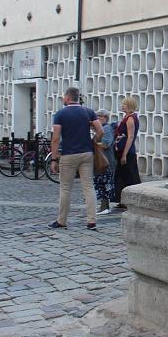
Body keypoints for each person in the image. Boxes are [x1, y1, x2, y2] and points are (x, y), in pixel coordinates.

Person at [49, 87, 103, 230]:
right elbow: (100, 130)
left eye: (63, 97)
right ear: (78, 97)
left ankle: (62, 221)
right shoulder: (88, 112)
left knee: (65, 188)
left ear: (67, 98)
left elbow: (55, 138)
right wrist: (94, 141)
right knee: (89, 187)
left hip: (68, 154)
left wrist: (54, 159)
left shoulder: (60, 114)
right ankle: (92, 221)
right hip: (86, 153)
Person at [113, 96, 141, 209]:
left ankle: (131, 200)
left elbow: (130, 137)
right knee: (121, 176)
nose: (122, 105)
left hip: (127, 152)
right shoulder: (127, 117)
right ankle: (122, 200)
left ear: (129, 105)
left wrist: (124, 154)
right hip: (121, 150)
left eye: (124, 104)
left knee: (129, 176)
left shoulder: (130, 118)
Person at [93, 109, 116, 215]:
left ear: (106, 118)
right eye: (96, 116)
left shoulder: (106, 128)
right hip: (100, 161)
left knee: (105, 184)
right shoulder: (101, 128)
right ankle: (103, 206)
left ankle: (105, 207)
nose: (97, 118)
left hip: (105, 161)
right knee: (100, 183)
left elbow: (106, 144)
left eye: (100, 116)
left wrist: (94, 145)